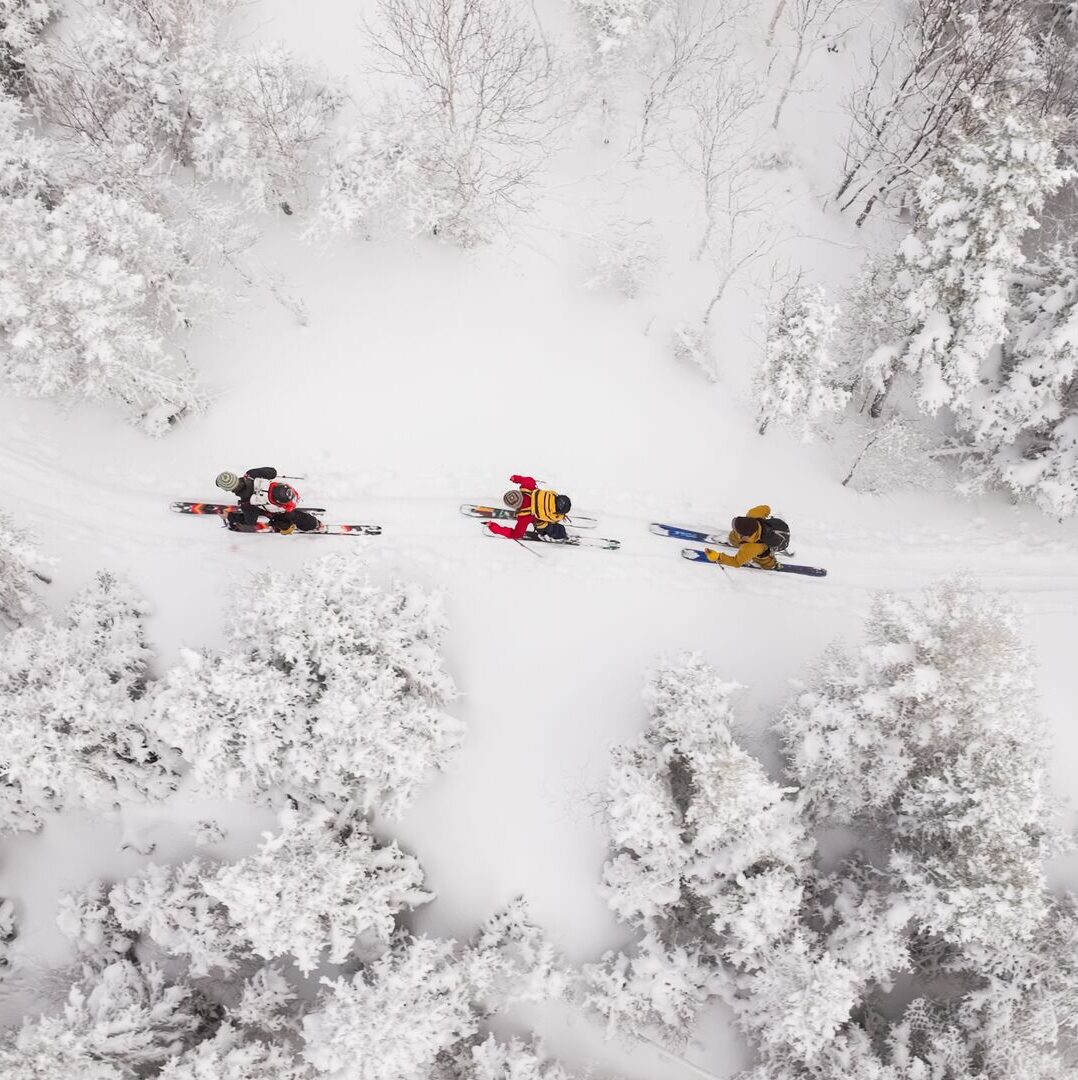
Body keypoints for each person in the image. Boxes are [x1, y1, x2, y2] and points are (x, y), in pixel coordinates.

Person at [215, 467, 322, 534]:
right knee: (291, 514)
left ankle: (314, 525)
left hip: (279, 509)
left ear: (227, 489)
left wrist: (229, 516)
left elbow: (250, 522)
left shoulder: (247, 502)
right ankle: (314, 523)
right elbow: (272, 472)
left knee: (288, 518)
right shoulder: (251, 475)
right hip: (285, 493)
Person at [486, 474, 572, 542]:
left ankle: (561, 535)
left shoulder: (524, 517)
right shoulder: (527, 487)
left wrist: (494, 527)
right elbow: (530, 480)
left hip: (547, 519)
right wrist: (515, 478)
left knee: (544, 526)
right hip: (557, 505)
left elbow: (516, 534)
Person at [704, 504, 790, 570]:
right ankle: (732, 540)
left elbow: (736, 562)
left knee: (762, 556)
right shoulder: (753, 514)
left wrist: (718, 557)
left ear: (745, 536)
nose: (734, 529)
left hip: (776, 542)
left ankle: (771, 565)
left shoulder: (751, 547)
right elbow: (766, 508)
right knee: (736, 534)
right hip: (778, 528)